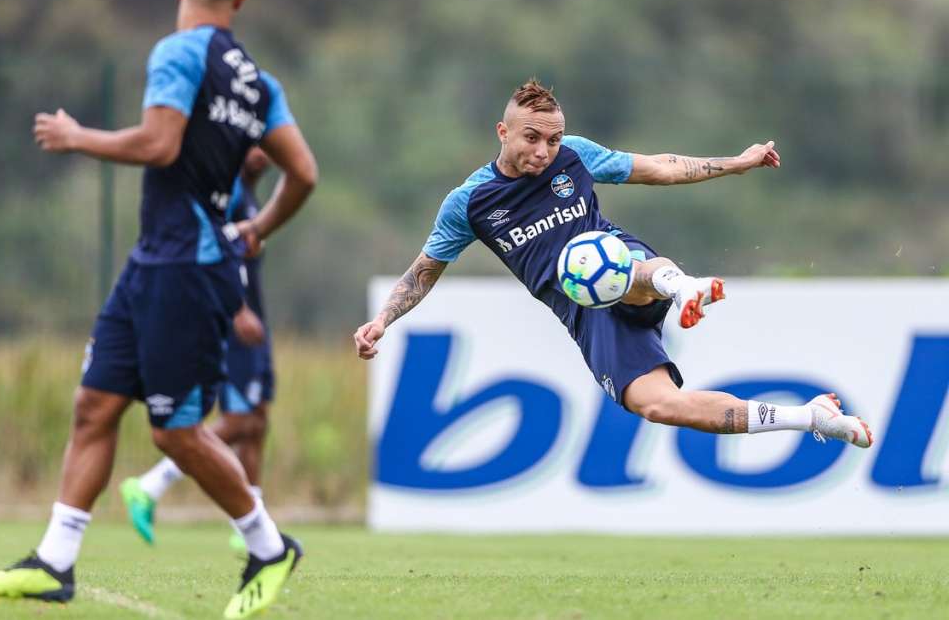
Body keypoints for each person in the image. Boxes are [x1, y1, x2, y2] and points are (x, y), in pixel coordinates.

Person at [0, 0, 318, 618]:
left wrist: (78, 137)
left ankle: (269, 545)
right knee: (94, 405)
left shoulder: (178, 52)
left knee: (175, 432)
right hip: (155, 261)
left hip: (188, 268)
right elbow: (303, 172)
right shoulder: (258, 83)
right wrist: (260, 227)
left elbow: (159, 143)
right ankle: (55, 562)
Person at [354, 79, 872, 449]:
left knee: (608, 263)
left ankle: (681, 285)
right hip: (584, 316)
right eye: (532, 137)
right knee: (661, 405)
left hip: (616, 259)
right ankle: (811, 417)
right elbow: (422, 273)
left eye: (553, 139)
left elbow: (660, 168)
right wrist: (382, 320)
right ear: (502, 132)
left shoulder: (574, 157)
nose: (544, 150)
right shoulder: (470, 203)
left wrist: (736, 163)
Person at [121, 147, 278, 553]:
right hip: (232, 319)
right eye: (255, 143)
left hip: (254, 320)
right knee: (240, 420)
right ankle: (150, 485)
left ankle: (248, 524)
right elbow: (215, 250)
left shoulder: (251, 193)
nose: (263, 153)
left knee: (257, 421)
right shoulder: (229, 190)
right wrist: (238, 309)